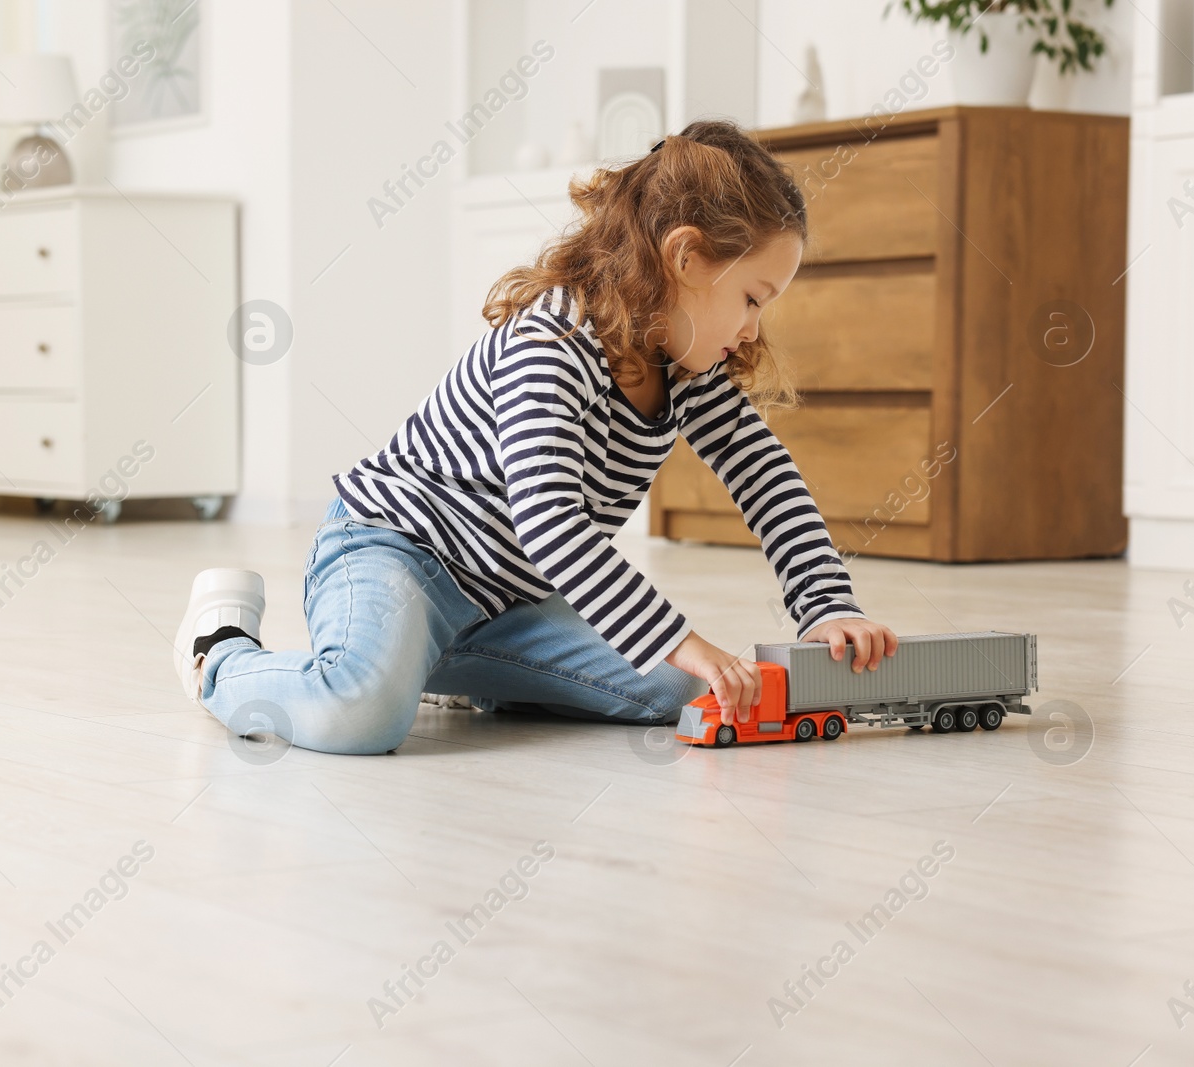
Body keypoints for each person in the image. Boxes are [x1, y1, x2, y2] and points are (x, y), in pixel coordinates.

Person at [173, 119, 898, 755]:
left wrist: (826, 604)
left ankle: (443, 668)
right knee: (361, 712)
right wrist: (686, 636)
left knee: (680, 689)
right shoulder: (551, 343)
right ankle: (220, 654)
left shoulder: (687, 370)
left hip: (503, 603)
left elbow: (764, 475)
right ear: (685, 257)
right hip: (394, 551)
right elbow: (549, 521)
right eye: (751, 299)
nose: (752, 330)